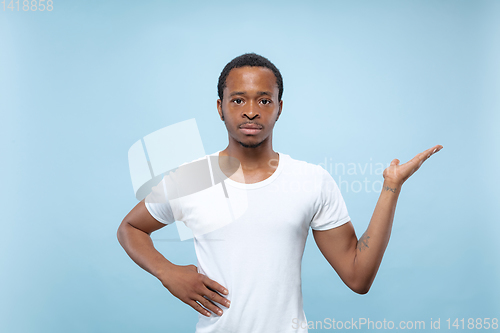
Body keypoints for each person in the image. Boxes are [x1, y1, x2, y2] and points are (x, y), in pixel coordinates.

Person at [117, 53, 443, 332]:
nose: (251, 111)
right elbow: (130, 228)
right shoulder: (193, 178)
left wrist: (391, 187)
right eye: (238, 99)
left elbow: (358, 277)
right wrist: (167, 272)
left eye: (263, 100)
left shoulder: (311, 180)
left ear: (279, 107)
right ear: (220, 107)